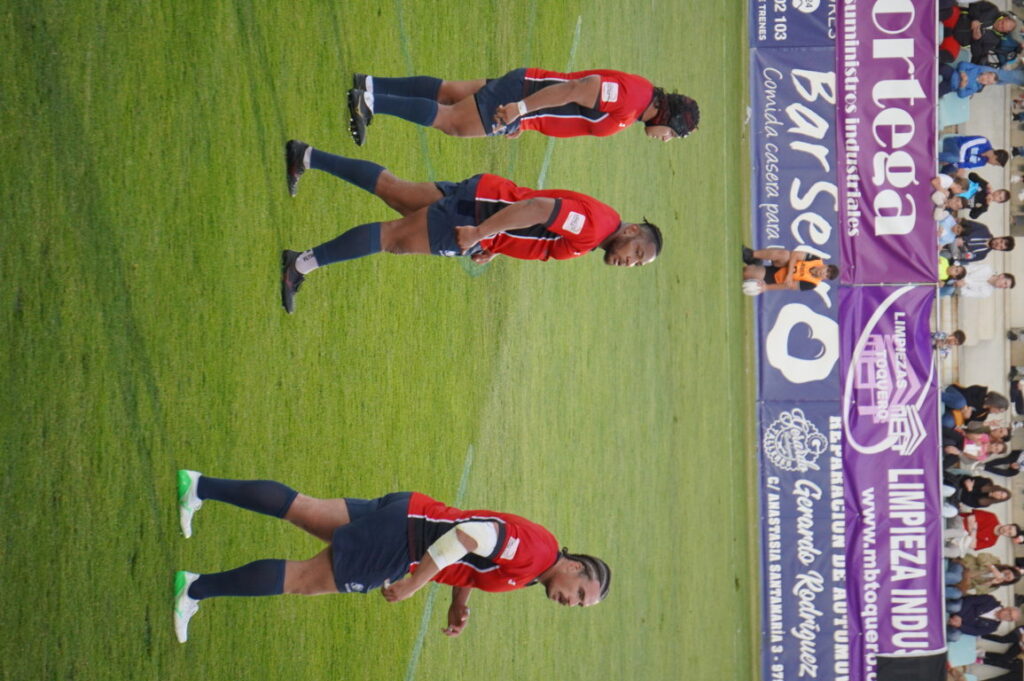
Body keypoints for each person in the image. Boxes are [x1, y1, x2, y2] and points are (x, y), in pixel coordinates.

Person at [172, 470, 611, 643]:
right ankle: (193, 588)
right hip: (404, 543)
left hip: (410, 512)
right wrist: (414, 581)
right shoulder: (536, 553)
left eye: (578, 605)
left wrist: (460, 602)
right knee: (304, 580)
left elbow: (472, 558)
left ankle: (197, 486)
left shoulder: (536, 567)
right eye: (578, 594)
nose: (570, 603)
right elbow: (471, 535)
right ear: (575, 568)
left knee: (304, 510)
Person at [279, 141, 663, 313]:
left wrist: (492, 245)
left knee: (394, 191)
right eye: (637, 254)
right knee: (395, 239)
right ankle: (299, 266)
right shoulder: (594, 227)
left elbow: (533, 230)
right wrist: (481, 234)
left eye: (637, 265)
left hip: (484, 199)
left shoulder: (601, 227)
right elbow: (537, 209)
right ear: (631, 233)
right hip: (478, 214)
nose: (630, 263)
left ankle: (306, 156)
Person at [344, 69, 699, 146]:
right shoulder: (633, 100)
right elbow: (579, 88)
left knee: (450, 92)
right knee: (453, 122)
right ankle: (369, 103)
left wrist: (525, 121)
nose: (667, 139)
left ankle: (371, 86)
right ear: (667, 117)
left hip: (526, 93)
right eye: (673, 133)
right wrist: (521, 109)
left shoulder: (637, 104)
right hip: (525, 94)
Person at [939, 1, 1019, 65]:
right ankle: (927, 16)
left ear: (1005, 32)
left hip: (956, 39)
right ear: (1004, 17)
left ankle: (926, 54)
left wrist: (976, 39)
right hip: (956, 20)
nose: (999, 25)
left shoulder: (994, 41)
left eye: (1002, 28)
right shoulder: (993, 9)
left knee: (950, 57)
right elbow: (974, 5)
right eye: (1002, 22)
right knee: (949, 10)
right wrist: (975, 19)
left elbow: (977, 54)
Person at [739, 246, 839, 295]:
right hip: (782, 264)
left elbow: (788, 285)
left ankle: (756, 264)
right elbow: (795, 254)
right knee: (785, 254)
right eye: (827, 270)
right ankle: (751, 255)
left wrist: (766, 287)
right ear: (825, 265)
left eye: (826, 275)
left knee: (746, 272)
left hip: (775, 277)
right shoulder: (816, 260)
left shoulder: (812, 284)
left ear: (824, 279)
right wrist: (790, 273)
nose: (824, 273)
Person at [947, 594, 1020, 640]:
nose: (1007, 616)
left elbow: (975, 632)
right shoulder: (990, 600)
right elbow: (970, 600)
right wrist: (959, 615)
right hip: (960, 609)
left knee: (954, 636)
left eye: (1010, 618)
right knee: (954, 607)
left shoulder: (993, 627)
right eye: (1009, 613)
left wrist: (960, 626)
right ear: (1007, 608)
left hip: (958, 625)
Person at [937, 135, 1010, 169]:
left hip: (954, 160)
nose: (993, 165)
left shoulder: (982, 163)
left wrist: (953, 163)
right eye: (996, 164)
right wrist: (956, 160)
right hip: (953, 143)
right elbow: (964, 146)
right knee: (954, 157)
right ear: (996, 157)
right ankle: (928, 157)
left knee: (952, 176)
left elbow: (964, 166)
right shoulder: (983, 141)